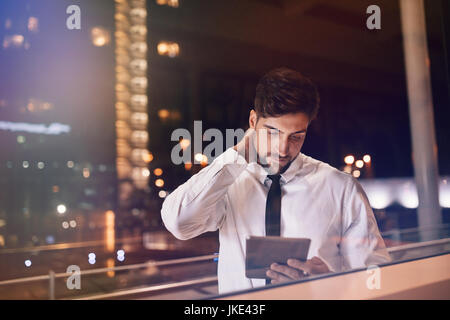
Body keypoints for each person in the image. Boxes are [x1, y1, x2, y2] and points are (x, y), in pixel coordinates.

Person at [161, 67, 391, 294]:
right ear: (253, 122)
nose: (283, 149)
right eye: (272, 132)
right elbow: (179, 224)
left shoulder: (342, 188)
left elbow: (376, 277)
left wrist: (331, 281)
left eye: (297, 136)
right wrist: (239, 152)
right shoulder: (228, 183)